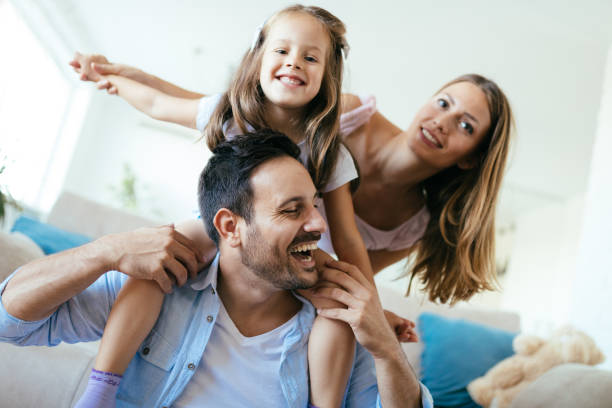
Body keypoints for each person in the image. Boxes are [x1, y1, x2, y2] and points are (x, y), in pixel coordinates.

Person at [69, 6, 382, 408]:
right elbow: (158, 102)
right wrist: (111, 78)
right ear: (258, 59)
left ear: (327, 76)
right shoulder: (229, 113)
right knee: (157, 261)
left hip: (288, 247)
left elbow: (347, 237)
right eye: (282, 51)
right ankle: (101, 388)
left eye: (310, 57)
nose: (294, 63)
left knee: (338, 304)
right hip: (215, 227)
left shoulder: (328, 151)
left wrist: (368, 305)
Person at [0, 132, 433, 407]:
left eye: (316, 207)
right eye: (292, 210)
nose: (320, 225)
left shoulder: (336, 327)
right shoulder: (161, 289)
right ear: (231, 227)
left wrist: (385, 349)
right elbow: (10, 321)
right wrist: (105, 251)